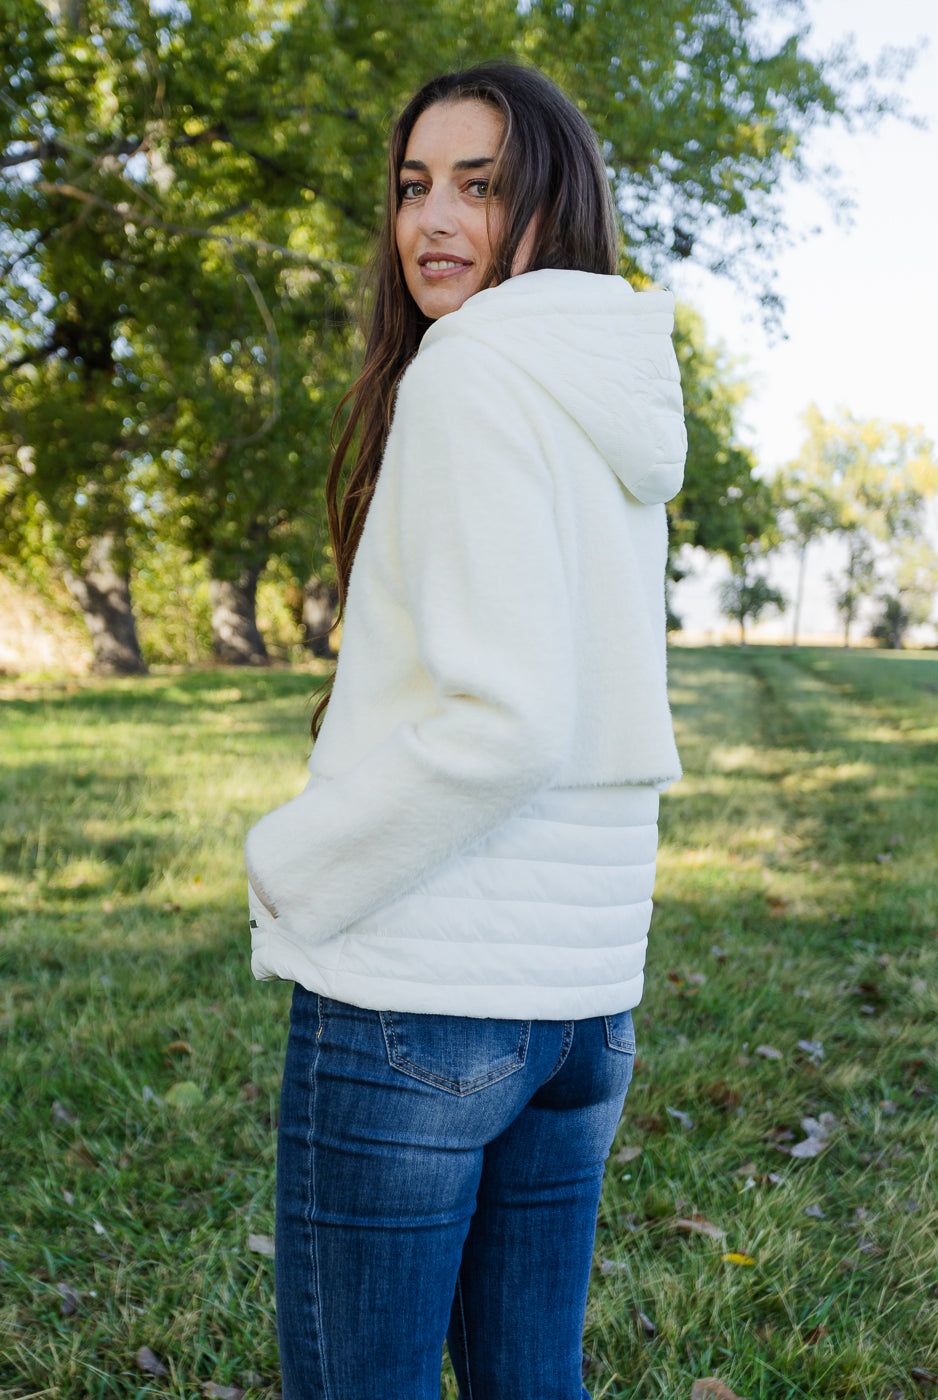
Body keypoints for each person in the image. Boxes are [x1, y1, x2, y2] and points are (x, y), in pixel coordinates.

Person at [244, 61, 686, 1400]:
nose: (432, 219)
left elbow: (508, 720)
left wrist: (293, 861)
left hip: (425, 994)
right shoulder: (605, 385)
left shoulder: (470, 372)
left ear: (549, 204)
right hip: (581, 1005)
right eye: (412, 186)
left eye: (477, 187)